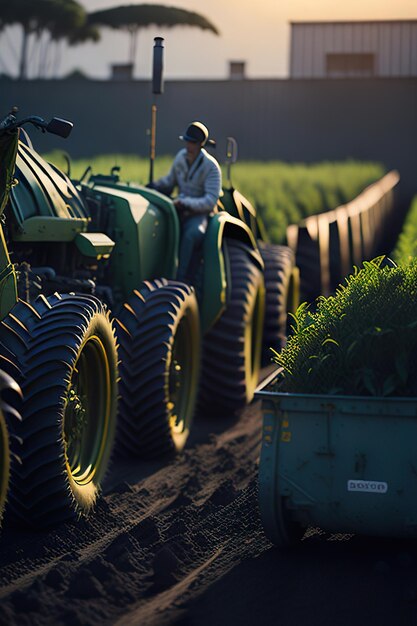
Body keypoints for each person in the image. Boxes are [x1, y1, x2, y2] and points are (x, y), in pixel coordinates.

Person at [150, 121, 222, 281]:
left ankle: (180, 278)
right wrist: (154, 186)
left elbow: (210, 201)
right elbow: (170, 182)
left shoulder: (211, 167)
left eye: (193, 142)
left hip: (199, 215)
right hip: (179, 209)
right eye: (187, 141)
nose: (189, 145)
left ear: (201, 145)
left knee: (191, 234)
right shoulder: (180, 158)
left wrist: (186, 202)